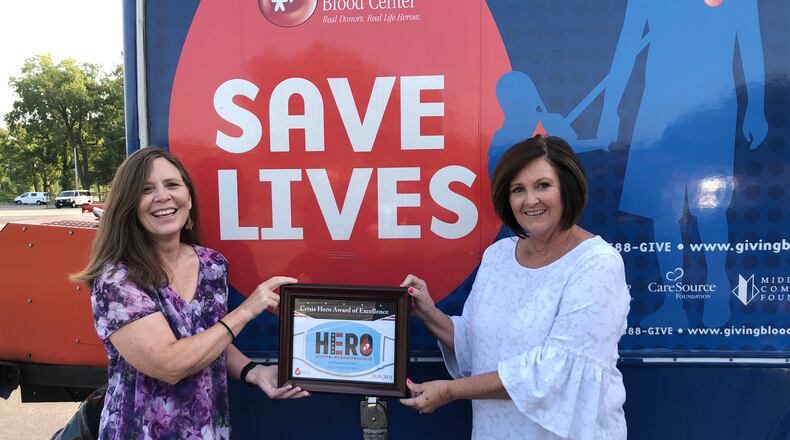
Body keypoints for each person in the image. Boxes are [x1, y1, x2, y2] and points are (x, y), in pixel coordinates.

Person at [400, 135, 630, 439]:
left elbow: (554, 372)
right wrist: (429, 314)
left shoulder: (597, 263)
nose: (530, 200)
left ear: (568, 188)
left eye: (543, 185)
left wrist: (451, 391)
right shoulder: (499, 256)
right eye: (518, 189)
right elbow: (477, 348)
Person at [72, 147, 308, 439]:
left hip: (208, 430)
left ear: (189, 197)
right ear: (128, 205)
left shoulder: (212, 265)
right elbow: (168, 365)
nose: (163, 196)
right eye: (146, 189)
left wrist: (254, 372)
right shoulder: (117, 280)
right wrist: (246, 311)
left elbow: (209, 339)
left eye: (172, 185)